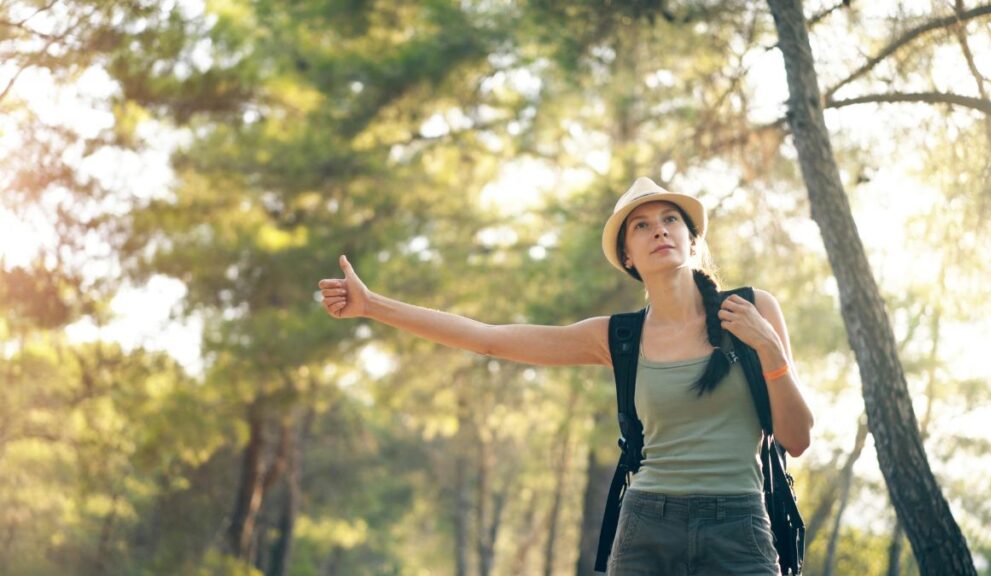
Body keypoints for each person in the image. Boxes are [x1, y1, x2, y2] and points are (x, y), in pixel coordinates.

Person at [318, 176, 814, 575]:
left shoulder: (753, 310)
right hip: (647, 527)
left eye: (670, 220)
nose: (659, 231)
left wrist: (769, 347)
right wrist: (372, 305)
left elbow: (797, 439)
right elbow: (488, 338)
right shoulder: (619, 338)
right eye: (641, 226)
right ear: (627, 256)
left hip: (740, 527)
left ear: (691, 239)